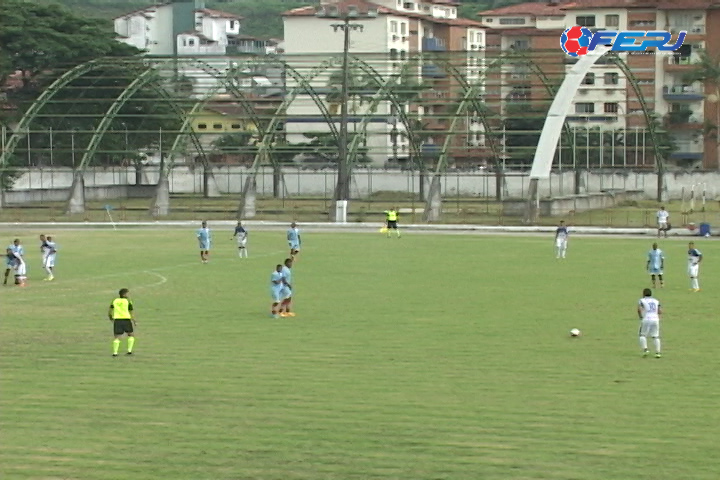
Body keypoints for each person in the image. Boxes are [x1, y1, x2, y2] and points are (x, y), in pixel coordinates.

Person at [108, 288, 136, 357]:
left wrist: (110, 317)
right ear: (124, 294)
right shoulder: (128, 301)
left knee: (117, 337)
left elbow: (110, 310)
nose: (128, 295)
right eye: (127, 293)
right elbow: (131, 311)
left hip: (117, 320)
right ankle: (129, 351)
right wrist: (134, 320)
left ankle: (115, 353)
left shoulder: (114, 301)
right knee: (131, 335)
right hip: (126, 319)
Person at [637, 288, 662, 358]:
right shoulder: (656, 301)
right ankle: (658, 352)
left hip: (646, 318)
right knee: (655, 336)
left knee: (642, 335)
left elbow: (639, 309)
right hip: (655, 319)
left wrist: (640, 316)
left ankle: (645, 350)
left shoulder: (642, 300)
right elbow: (660, 311)